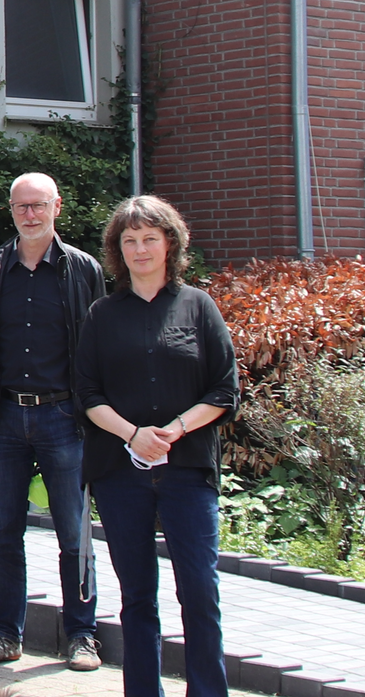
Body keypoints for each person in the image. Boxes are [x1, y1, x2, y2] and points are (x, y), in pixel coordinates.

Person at [71, 195, 239, 697]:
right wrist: (134, 436)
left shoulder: (198, 306)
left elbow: (225, 390)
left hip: (187, 470)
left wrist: (175, 430)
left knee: (200, 593)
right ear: (117, 251)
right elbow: (87, 394)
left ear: (171, 243)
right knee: (138, 596)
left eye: (150, 238)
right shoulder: (103, 314)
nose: (140, 249)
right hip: (121, 474)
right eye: (130, 240)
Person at [0, 173, 104, 672]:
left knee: (74, 533)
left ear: (56, 208)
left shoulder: (82, 269)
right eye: (21, 206)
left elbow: (96, 347)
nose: (29, 214)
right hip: (4, 418)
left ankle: (82, 636)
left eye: (38, 205)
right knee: (4, 536)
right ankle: (5, 635)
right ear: (11, 210)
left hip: (64, 416)